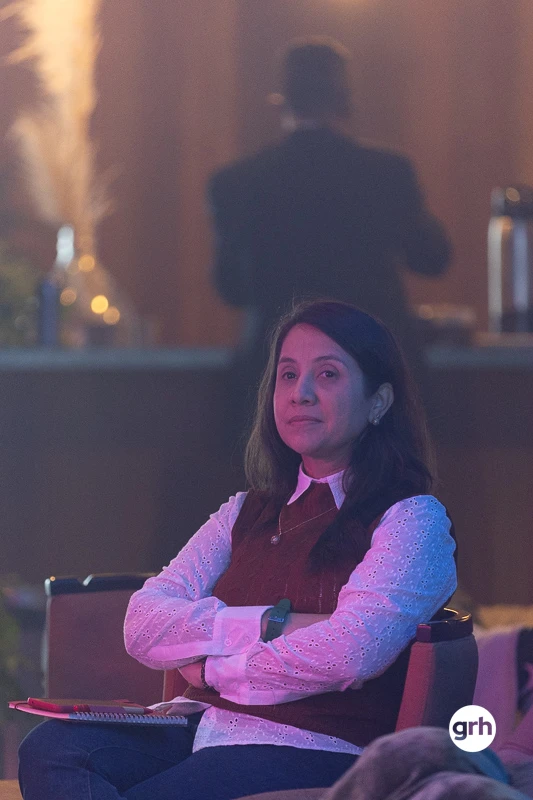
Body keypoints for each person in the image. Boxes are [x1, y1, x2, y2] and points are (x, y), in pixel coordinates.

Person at [18, 300, 457, 799]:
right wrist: (273, 624)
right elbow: (142, 622)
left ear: (378, 401)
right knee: (51, 749)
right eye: (288, 375)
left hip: (313, 745)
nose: (301, 393)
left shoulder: (412, 518)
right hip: (201, 727)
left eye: (327, 374)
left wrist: (212, 668)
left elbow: (352, 651)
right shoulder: (245, 510)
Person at [210, 37, 452, 440]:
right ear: (346, 102)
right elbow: (433, 258)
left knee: (281, 481)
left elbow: (231, 288)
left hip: (279, 382)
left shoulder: (237, 183)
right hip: (374, 380)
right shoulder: (387, 173)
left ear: (280, 102)